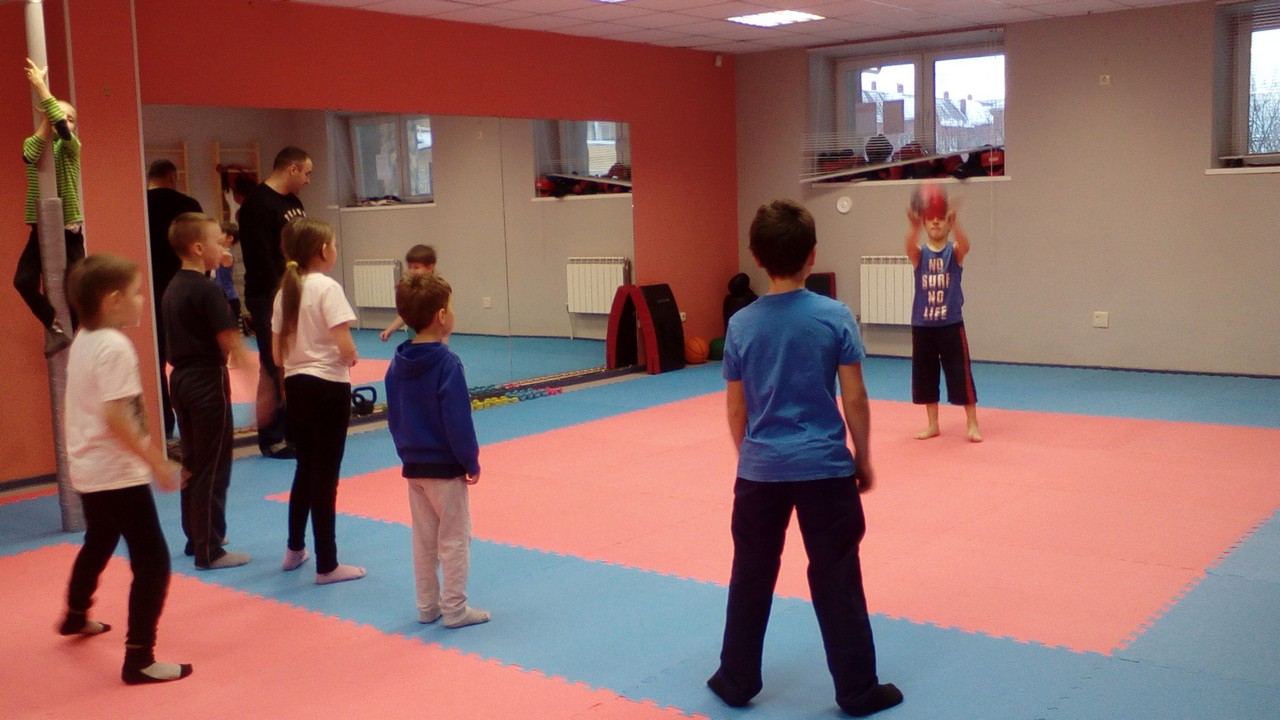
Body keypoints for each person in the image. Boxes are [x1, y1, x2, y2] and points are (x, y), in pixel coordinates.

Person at [708, 199, 902, 717]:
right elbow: (855, 397)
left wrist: (750, 457)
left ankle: (736, 679)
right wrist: (863, 457)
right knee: (838, 576)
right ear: (812, 255)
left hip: (760, 471)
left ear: (756, 257)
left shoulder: (741, 324)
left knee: (751, 574)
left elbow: (736, 406)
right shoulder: (834, 316)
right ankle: (857, 691)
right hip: (825, 468)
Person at [59, 253, 192, 685]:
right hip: (115, 471)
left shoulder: (84, 338)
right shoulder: (115, 346)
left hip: (89, 466)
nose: (141, 301)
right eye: (136, 293)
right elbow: (118, 416)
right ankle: (139, 659)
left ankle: (76, 613)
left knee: (100, 537)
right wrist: (157, 461)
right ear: (113, 299)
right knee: (153, 561)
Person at [385, 271, 490, 629]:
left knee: (424, 540)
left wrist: (405, 453)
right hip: (445, 467)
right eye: (451, 307)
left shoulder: (397, 364)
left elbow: (395, 417)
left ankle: (427, 606)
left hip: (414, 466)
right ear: (442, 316)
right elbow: (458, 421)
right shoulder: (448, 364)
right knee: (455, 539)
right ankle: (455, 609)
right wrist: (470, 461)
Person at [272, 217, 365, 584]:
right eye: (334, 245)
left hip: (296, 386)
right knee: (325, 477)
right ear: (324, 250)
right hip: (328, 388)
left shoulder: (285, 291)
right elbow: (346, 346)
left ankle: (294, 549)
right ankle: (327, 564)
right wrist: (351, 358)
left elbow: (277, 355)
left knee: (305, 469)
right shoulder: (327, 287)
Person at [162, 213, 251, 571]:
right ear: (199, 248)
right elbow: (230, 343)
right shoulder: (207, 289)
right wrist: (254, 376)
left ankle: (196, 536)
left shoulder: (173, 286)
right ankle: (209, 549)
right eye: (218, 241)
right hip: (206, 381)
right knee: (213, 467)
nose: (224, 246)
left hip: (180, 381)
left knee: (194, 462)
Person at [238, 146, 312, 458]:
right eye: (306, 173)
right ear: (292, 169)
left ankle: (295, 432)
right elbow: (259, 258)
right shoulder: (257, 204)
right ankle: (272, 437)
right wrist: (278, 296)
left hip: (296, 291)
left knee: (296, 362)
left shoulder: (294, 203)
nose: (308, 179)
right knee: (274, 363)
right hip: (268, 294)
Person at [14, 58, 85, 358]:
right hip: (41, 228)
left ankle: (73, 332)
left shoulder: (71, 147)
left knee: (77, 287)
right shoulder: (36, 144)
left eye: (71, 118)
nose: (64, 121)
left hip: (68, 229)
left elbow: (62, 129)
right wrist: (46, 118)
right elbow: (29, 155)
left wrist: (41, 86)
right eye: (59, 115)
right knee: (22, 281)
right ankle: (55, 327)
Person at [904, 184, 981, 442]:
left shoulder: (953, 253)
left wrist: (956, 224)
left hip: (950, 324)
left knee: (960, 373)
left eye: (940, 219)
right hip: (923, 325)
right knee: (926, 375)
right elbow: (909, 248)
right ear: (925, 224)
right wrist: (913, 227)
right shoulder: (920, 254)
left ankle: (972, 423)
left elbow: (966, 246)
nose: (936, 223)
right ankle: (932, 424)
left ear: (947, 225)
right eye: (931, 220)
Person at [145, 159, 203, 438]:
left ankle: (164, 426)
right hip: (185, 290)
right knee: (192, 361)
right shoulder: (188, 205)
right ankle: (194, 425)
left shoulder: (140, 204)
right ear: (172, 176)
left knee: (156, 362)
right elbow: (200, 248)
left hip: (152, 290)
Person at [379, 244, 436, 341]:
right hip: (414, 339)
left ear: (430, 268)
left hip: (432, 340)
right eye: (409, 267)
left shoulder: (438, 290)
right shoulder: (411, 290)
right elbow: (405, 315)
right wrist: (390, 329)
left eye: (416, 267)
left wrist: (444, 345)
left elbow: (444, 319)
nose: (411, 271)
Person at [216, 223, 242, 328]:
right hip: (220, 297)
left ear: (229, 238)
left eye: (221, 233)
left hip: (229, 298)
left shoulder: (226, 255)